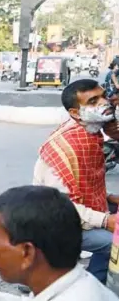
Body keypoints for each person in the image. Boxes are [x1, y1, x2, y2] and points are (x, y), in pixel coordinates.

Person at [33, 79, 119, 283]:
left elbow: (82, 184)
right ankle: (93, 286)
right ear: (75, 113)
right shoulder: (69, 146)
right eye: (93, 101)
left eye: (104, 96)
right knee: (116, 242)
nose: (104, 103)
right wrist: (106, 221)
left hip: (76, 209)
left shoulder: (91, 132)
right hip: (57, 221)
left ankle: (95, 279)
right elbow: (61, 207)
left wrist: (107, 198)